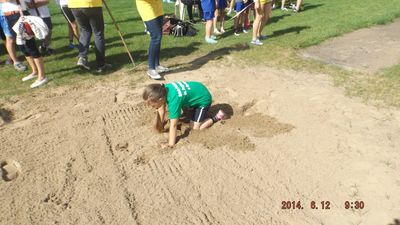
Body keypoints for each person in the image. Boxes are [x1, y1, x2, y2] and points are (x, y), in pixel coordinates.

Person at [143, 81, 226, 147]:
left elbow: (174, 125)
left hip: (203, 99)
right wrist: (160, 125)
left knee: (195, 128)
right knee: (184, 108)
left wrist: (170, 144)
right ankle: (191, 108)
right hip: (197, 88)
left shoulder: (174, 101)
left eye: (152, 105)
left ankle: (217, 116)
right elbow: (161, 109)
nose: (151, 107)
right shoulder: (163, 89)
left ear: (160, 99)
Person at [3, 0, 48, 88]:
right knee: (22, 46)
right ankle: (35, 71)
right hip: (9, 16)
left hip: (18, 15)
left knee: (30, 46)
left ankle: (42, 76)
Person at [69, 0, 110, 73]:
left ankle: (82, 57)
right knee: (98, 32)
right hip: (91, 3)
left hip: (74, 5)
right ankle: (101, 65)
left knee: (85, 31)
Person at [136, 0, 169, 79]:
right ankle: (151, 68)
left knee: (159, 36)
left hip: (157, 7)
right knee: (156, 36)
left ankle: (156, 65)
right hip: (146, 7)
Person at [0, 1, 27, 71]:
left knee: (9, 38)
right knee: (9, 38)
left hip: (4, 14)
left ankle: (13, 60)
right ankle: (14, 60)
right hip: (4, 14)